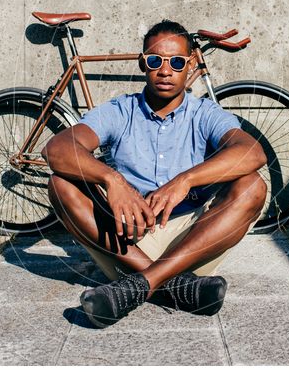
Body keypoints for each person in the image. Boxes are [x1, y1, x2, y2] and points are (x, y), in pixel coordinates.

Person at [42, 19, 267, 328]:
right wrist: (112, 180)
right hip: (126, 245)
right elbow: (57, 148)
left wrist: (185, 180)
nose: (165, 70)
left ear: (189, 65)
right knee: (60, 184)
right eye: (155, 61)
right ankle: (175, 287)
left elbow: (252, 152)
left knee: (252, 186)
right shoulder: (120, 110)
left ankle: (138, 286)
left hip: (192, 243)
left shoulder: (204, 114)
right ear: (142, 63)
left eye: (176, 62)